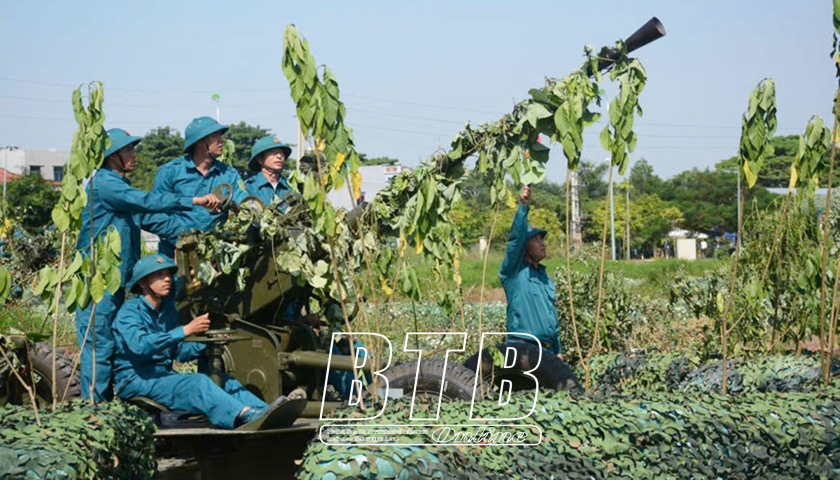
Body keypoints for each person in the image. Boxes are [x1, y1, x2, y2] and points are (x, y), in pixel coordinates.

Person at [74, 128, 221, 402]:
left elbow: (153, 219)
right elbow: (147, 201)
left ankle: (112, 410)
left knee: (116, 346)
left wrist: (194, 237)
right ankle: (95, 415)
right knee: (100, 348)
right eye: (128, 150)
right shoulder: (105, 185)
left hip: (114, 282)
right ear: (112, 155)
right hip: (97, 284)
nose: (134, 156)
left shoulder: (121, 190)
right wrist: (193, 200)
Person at [111, 254, 305, 429]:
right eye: (160, 275)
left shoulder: (167, 313)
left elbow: (178, 353)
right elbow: (140, 347)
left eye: (169, 274)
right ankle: (244, 415)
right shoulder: (129, 312)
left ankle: (268, 412)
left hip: (162, 377)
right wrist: (186, 330)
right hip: (137, 380)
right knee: (197, 382)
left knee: (224, 380)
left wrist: (209, 341)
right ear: (143, 283)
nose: (168, 279)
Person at [141, 117, 249, 258]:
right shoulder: (170, 172)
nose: (221, 140)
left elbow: (244, 203)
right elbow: (152, 213)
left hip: (215, 255)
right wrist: (181, 235)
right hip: (175, 253)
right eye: (215, 136)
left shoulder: (229, 173)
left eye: (220, 136)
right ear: (199, 142)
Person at [499, 185, 564, 360]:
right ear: (525, 247)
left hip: (548, 350)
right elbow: (515, 240)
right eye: (535, 240)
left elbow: (550, 315)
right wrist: (523, 206)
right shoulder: (514, 272)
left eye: (542, 239)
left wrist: (558, 350)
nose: (542, 243)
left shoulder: (544, 277)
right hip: (523, 348)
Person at [244, 136, 295, 212]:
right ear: (260, 159)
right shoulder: (249, 187)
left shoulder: (290, 187)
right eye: (274, 153)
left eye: (281, 153)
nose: (279, 156)